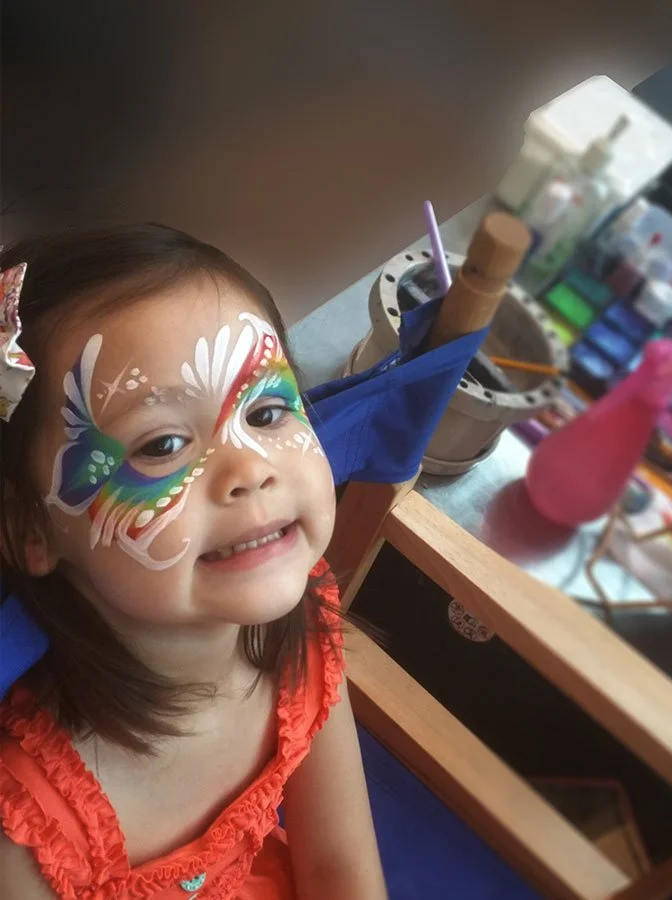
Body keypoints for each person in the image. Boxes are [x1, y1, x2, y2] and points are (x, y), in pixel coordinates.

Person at [0, 224, 388, 899]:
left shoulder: (302, 622)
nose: (250, 469)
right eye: (163, 443)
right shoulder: (25, 824)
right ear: (32, 529)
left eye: (268, 412)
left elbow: (341, 871)